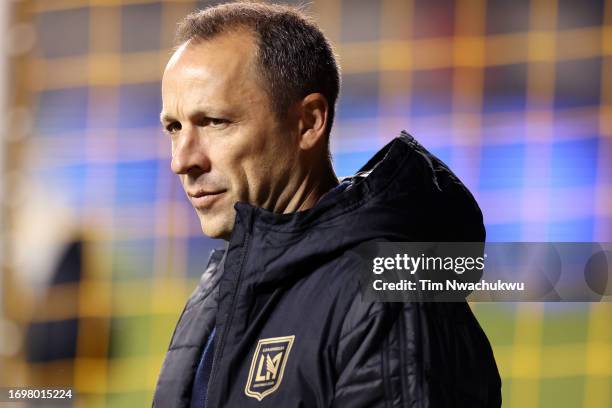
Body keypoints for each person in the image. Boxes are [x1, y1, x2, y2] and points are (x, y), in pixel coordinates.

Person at [154, 2, 501, 407]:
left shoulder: (388, 298)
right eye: (174, 128)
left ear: (309, 122)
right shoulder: (217, 291)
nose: (182, 160)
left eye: (215, 122)